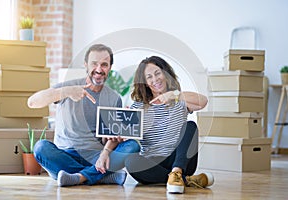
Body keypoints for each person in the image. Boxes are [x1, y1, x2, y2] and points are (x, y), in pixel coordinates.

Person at [27, 44, 140, 187]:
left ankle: (79, 177)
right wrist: (66, 92)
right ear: (85, 65)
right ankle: (99, 176)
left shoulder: (114, 98)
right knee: (40, 148)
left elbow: (107, 138)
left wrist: (110, 141)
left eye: (104, 65)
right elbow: (32, 102)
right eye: (94, 64)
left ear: (110, 67)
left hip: (96, 157)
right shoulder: (68, 87)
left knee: (132, 146)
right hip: (65, 155)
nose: (99, 69)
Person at [125, 56, 214, 194]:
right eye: (149, 77)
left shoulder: (179, 99)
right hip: (154, 163)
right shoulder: (138, 107)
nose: (155, 79)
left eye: (158, 73)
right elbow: (128, 132)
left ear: (165, 74)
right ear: (145, 82)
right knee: (131, 161)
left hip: (181, 160)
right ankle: (185, 180)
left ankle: (177, 172)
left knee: (190, 126)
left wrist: (173, 94)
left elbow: (203, 101)